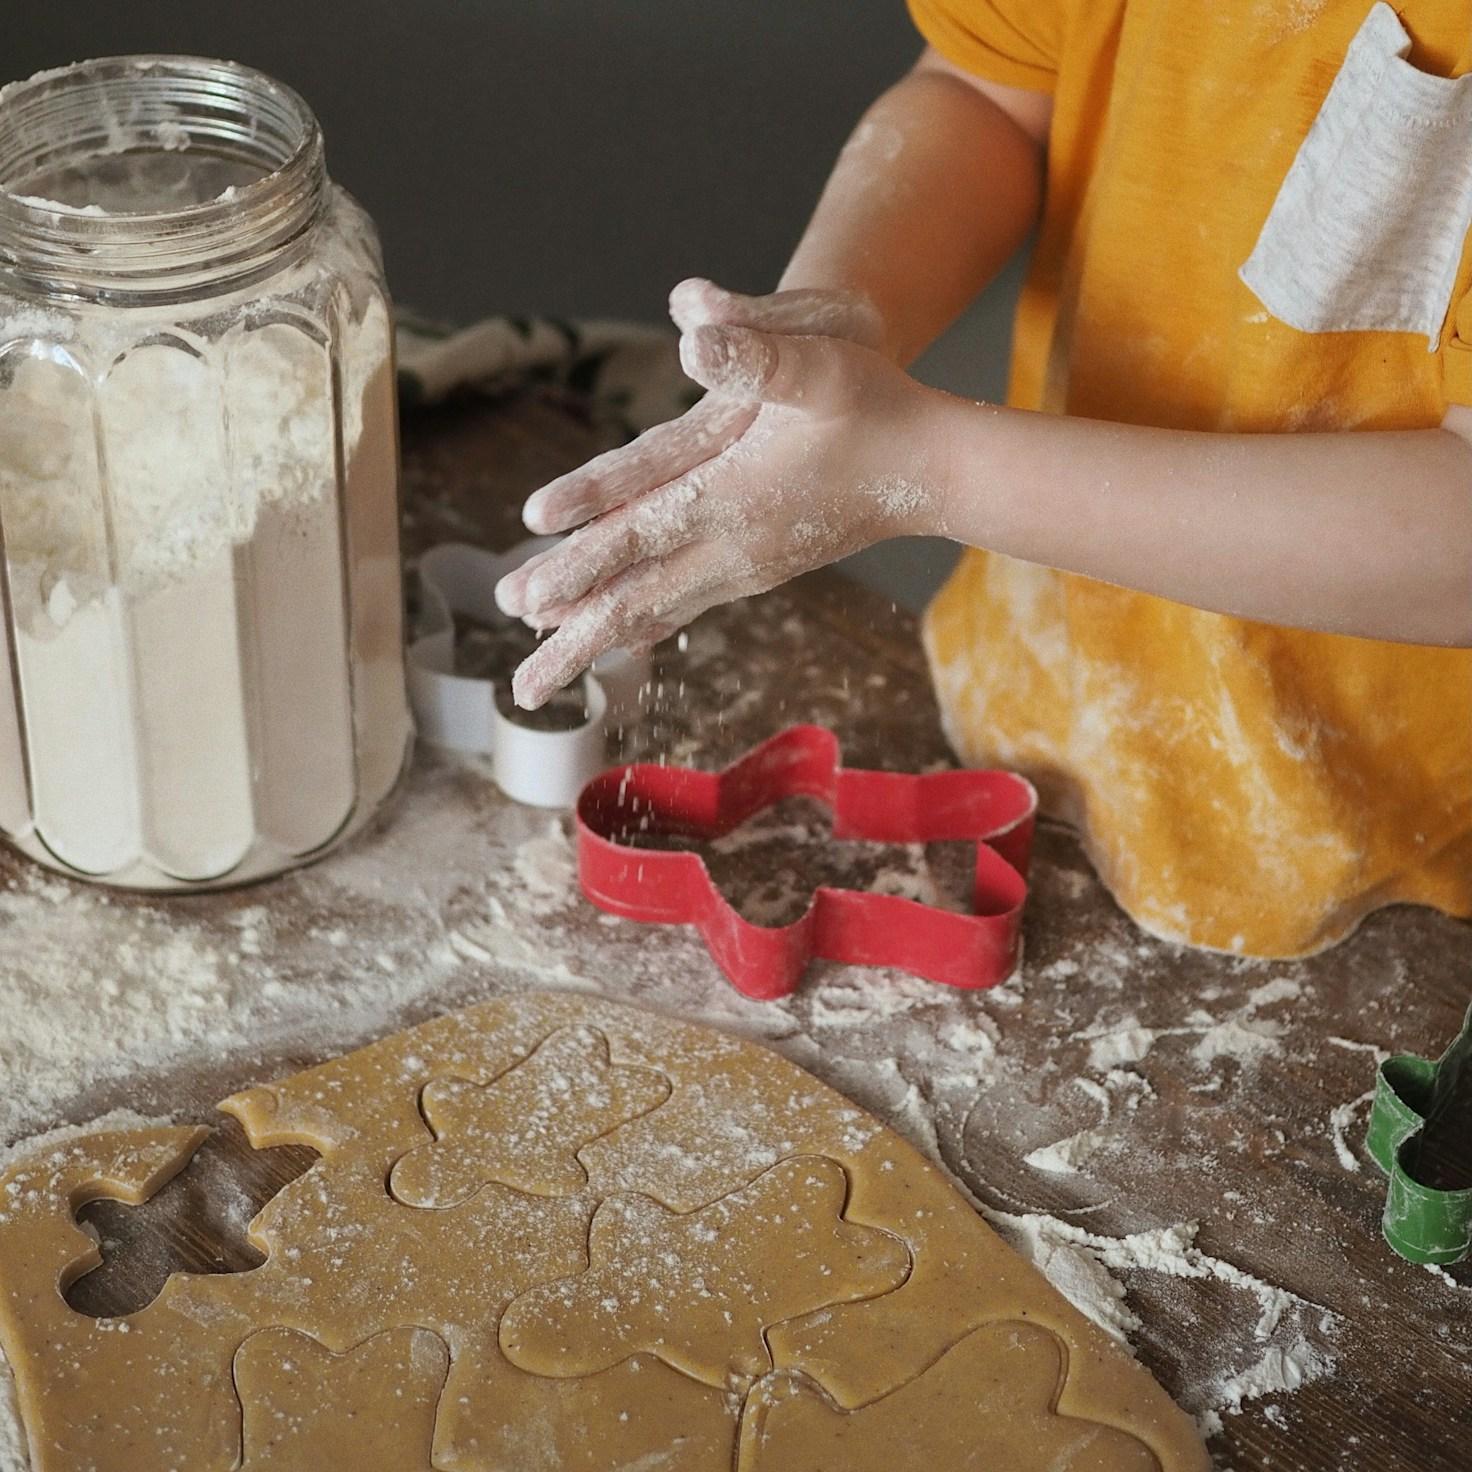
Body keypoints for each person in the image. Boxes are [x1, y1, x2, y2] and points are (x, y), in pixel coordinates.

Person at [495, 0, 1472, 958]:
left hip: (1396, 857)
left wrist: (928, 468)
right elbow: (988, 94)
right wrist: (841, 317)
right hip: (1045, 693)